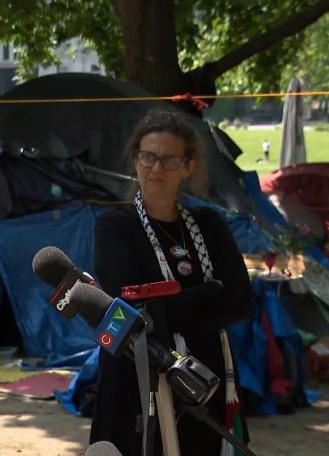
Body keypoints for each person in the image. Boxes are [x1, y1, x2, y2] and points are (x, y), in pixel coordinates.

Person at [89, 109, 253, 456]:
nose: (156, 168)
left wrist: (167, 306)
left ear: (188, 166)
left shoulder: (209, 224)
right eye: (147, 157)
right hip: (136, 375)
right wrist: (208, 293)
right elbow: (131, 309)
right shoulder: (115, 225)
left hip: (204, 375)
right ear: (135, 160)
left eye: (168, 159)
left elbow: (241, 301)